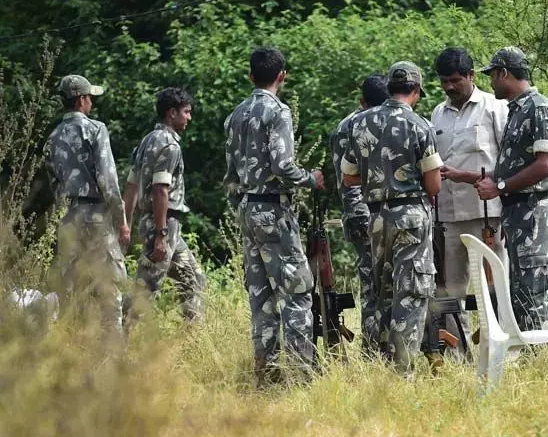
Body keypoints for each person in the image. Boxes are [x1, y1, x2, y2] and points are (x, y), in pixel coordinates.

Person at [223, 47, 325, 386]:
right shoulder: (278, 112)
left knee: (261, 296)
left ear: (251, 76)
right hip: (273, 209)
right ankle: (299, 377)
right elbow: (283, 165)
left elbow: (231, 173)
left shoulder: (235, 115)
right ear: (282, 75)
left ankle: (265, 377)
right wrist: (311, 179)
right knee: (296, 293)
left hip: (246, 210)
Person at [341, 61, 443, 376]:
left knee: (383, 292)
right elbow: (433, 184)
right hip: (411, 214)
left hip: (376, 218)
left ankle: (381, 368)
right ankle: (404, 374)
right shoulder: (419, 125)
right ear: (415, 90)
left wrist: (379, 179)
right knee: (410, 292)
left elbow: (348, 177)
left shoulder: (359, 123)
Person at [425, 46, 508, 358]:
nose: (449, 87)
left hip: (486, 214)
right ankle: (455, 356)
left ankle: (498, 350)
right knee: (451, 290)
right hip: (448, 214)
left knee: (493, 285)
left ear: (472, 76)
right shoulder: (437, 113)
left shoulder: (494, 108)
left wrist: (470, 177)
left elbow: (506, 163)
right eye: (444, 81)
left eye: (456, 80)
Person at [474, 47, 548, 332]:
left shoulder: (538, 108)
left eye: (492, 75)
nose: (490, 82)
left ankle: (536, 356)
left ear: (504, 73)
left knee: (532, 287)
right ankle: (527, 354)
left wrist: (500, 187)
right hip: (518, 212)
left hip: (534, 211)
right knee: (520, 288)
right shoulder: (517, 109)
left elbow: (546, 164)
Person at [44, 74, 130, 324]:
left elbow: (55, 185)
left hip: (69, 218)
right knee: (108, 287)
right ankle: (113, 352)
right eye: (90, 97)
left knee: (72, 288)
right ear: (81, 99)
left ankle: (73, 348)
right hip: (96, 216)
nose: (92, 102)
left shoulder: (52, 139)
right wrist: (121, 221)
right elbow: (108, 181)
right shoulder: (95, 129)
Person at [123, 88, 205, 322]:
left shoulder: (147, 141)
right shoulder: (170, 146)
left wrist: (126, 225)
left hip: (162, 228)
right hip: (163, 225)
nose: (189, 117)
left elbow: (131, 186)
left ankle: (191, 344)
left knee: (194, 279)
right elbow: (160, 190)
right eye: (186, 112)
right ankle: (114, 338)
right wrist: (160, 235)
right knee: (145, 292)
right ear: (171, 113)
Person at [329, 74, 390, 356]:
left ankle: (375, 347)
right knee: (380, 285)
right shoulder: (372, 124)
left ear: (361, 100)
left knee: (371, 285)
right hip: (370, 215)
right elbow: (350, 179)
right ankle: (376, 349)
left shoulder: (346, 125)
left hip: (360, 214)